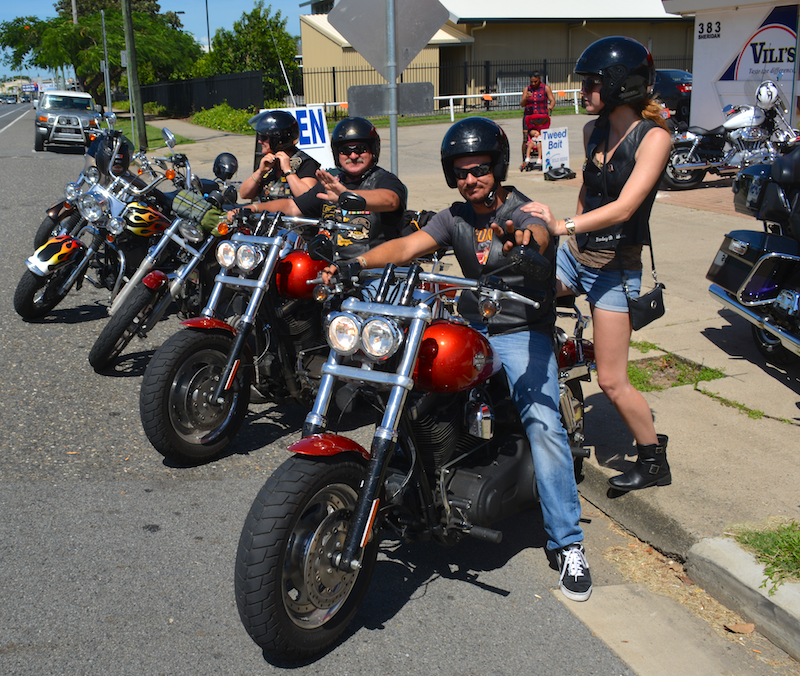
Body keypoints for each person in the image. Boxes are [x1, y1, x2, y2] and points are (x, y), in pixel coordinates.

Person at [324, 117, 592, 602]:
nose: (472, 179)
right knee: (407, 380)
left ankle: (568, 543)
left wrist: (527, 243)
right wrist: (354, 263)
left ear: (498, 167)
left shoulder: (523, 209)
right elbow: (408, 245)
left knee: (543, 424)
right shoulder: (454, 217)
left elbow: (539, 234)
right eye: (462, 171)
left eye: (480, 169)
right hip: (469, 323)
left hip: (520, 328)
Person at [521, 36, 672, 492]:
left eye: (591, 83)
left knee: (612, 379)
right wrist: (558, 237)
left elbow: (626, 208)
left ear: (621, 86)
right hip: (576, 256)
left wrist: (561, 224)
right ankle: (545, 398)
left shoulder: (655, 137)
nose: (581, 90)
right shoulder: (593, 132)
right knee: (521, 293)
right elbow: (588, 197)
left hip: (615, 269)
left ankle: (653, 461)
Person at [238, 116, 407, 261]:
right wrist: (253, 208)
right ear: (337, 153)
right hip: (328, 270)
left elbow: (390, 200)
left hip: (373, 272)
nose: (353, 155)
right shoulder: (331, 182)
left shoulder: (385, 180)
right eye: (345, 151)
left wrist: (345, 196)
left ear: (373, 151)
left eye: (360, 149)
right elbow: (292, 206)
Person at [239, 110, 320, 203]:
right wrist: (260, 172)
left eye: (264, 138)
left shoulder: (306, 163)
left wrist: (288, 170)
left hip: (290, 217)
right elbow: (244, 194)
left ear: (278, 139)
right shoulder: (268, 162)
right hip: (266, 216)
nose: (260, 141)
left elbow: (308, 198)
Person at [520, 71, 555, 164]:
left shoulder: (545, 88)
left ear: (539, 79)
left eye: (535, 81)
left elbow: (552, 100)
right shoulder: (527, 89)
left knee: (541, 138)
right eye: (532, 82)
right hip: (529, 118)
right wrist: (526, 97)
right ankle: (525, 160)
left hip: (541, 118)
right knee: (525, 139)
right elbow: (522, 104)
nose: (533, 84)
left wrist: (551, 106)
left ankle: (543, 158)